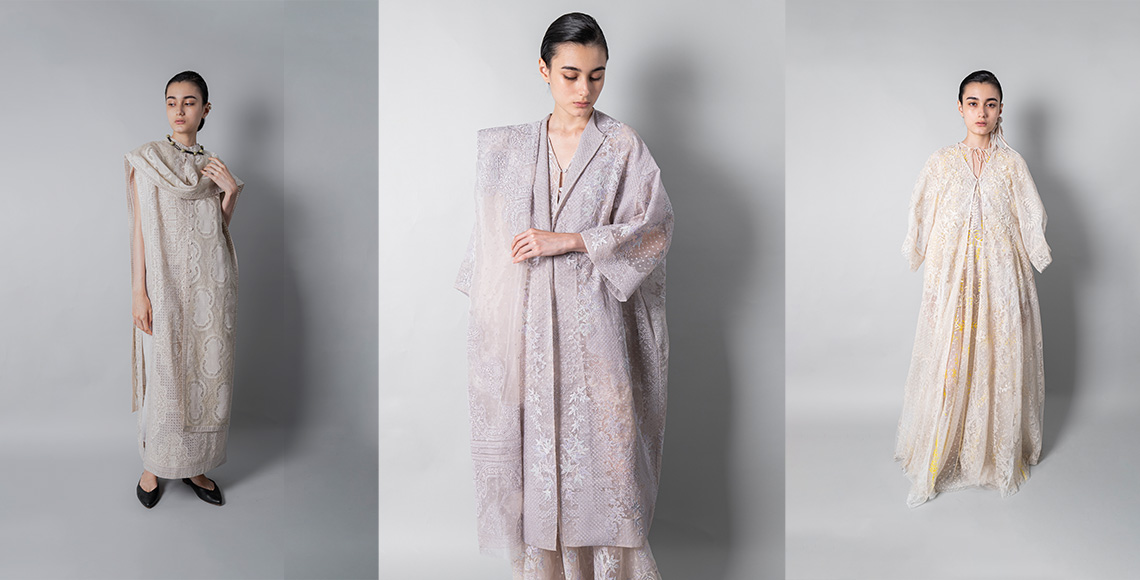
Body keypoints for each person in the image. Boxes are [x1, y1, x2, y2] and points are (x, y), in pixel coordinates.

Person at [456, 12, 673, 579]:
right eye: (571, 74)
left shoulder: (623, 146)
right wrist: (493, 343)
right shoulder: (508, 151)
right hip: (528, 336)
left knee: (607, 464)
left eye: (597, 75)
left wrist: (573, 239)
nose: (584, 90)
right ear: (544, 69)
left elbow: (654, 229)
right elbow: (487, 249)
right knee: (539, 464)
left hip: (597, 333)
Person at [896, 70, 1051, 507]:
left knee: (997, 353)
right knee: (950, 353)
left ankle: (991, 448)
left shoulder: (1012, 165)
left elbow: (1031, 213)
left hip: (1002, 278)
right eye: (973, 102)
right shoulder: (942, 161)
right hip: (953, 279)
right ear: (960, 108)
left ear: (1001, 109)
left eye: (990, 103)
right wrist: (917, 250)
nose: (981, 112)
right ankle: (942, 447)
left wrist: (1038, 252)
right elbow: (920, 209)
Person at [126, 71, 243, 508]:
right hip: (162, 288)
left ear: (205, 109)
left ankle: (195, 465)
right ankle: (153, 465)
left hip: (206, 291)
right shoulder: (149, 159)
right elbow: (140, 230)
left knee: (200, 378)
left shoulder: (211, 165)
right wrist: (139, 292)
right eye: (172, 101)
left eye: (189, 102)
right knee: (165, 377)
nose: (179, 110)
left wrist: (230, 193)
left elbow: (216, 233)